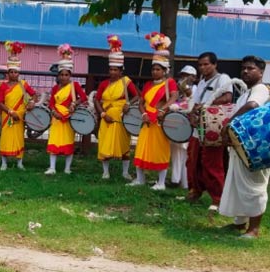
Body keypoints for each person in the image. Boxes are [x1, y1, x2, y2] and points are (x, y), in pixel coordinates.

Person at [219, 55, 270, 238]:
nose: (245, 71)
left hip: (256, 148)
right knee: (237, 184)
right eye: (243, 68)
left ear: (261, 72)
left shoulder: (261, 90)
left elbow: (252, 106)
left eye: (251, 68)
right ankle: (239, 223)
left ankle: (254, 229)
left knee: (254, 187)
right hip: (242, 147)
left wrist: (229, 124)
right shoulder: (245, 93)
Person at [186, 51, 234, 209]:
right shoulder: (201, 82)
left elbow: (227, 98)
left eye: (206, 64)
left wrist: (206, 105)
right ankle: (195, 190)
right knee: (192, 161)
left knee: (211, 162)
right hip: (197, 126)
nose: (203, 67)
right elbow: (196, 101)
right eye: (200, 65)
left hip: (212, 127)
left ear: (214, 64)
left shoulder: (223, 78)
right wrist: (192, 113)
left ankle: (217, 198)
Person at [132, 33, 178, 190]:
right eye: (153, 69)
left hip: (159, 120)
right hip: (146, 120)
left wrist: (163, 109)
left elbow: (174, 97)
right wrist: (143, 113)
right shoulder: (147, 85)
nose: (154, 72)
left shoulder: (169, 83)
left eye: (158, 69)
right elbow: (141, 102)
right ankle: (140, 179)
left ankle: (161, 182)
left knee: (160, 150)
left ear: (164, 70)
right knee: (141, 149)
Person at [94, 34, 138, 180]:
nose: (113, 72)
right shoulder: (103, 84)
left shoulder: (126, 82)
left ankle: (125, 172)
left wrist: (128, 104)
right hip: (106, 118)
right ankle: (105, 172)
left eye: (116, 70)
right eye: (111, 69)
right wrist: (102, 115)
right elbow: (96, 100)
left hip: (121, 118)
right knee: (104, 143)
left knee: (124, 143)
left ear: (121, 71)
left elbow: (137, 96)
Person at [45, 44, 88, 175]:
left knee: (68, 141)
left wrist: (75, 104)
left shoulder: (74, 86)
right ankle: (52, 167)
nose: (63, 77)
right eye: (61, 75)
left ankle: (67, 168)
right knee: (54, 141)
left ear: (70, 75)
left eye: (66, 74)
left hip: (68, 117)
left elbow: (84, 98)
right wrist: (54, 112)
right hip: (56, 118)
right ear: (58, 76)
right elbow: (51, 102)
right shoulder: (55, 88)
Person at [0, 41, 37, 170]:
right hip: (7, 116)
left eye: (16, 72)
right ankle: (4, 162)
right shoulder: (3, 86)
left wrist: (31, 102)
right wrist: (10, 112)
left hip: (19, 116)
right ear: (8, 73)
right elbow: (0, 103)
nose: (14, 74)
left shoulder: (23, 84)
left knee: (19, 138)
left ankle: (19, 162)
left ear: (19, 73)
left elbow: (34, 95)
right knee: (5, 138)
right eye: (11, 72)